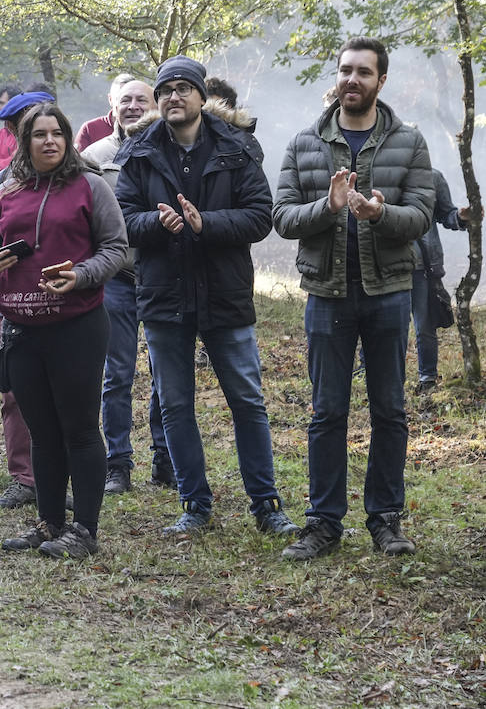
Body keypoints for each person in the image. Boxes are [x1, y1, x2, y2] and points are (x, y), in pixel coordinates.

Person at [115, 56, 298, 538]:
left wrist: (206, 224)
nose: (174, 96)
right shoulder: (138, 151)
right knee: (175, 405)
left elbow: (262, 216)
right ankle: (194, 503)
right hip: (163, 295)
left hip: (224, 293)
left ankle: (266, 503)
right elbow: (121, 219)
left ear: (201, 96)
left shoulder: (238, 146)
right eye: (165, 90)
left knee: (247, 401)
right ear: (159, 101)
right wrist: (157, 224)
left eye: (182, 88)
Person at [273, 37, 435, 560]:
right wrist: (328, 206)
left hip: (389, 294)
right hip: (327, 295)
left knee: (389, 410)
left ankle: (385, 519)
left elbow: (423, 216)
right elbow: (281, 217)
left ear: (380, 81)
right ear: (336, 76)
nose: (352, 80)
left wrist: (379, 215)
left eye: (364, 72)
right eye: (346, 70)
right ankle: (323, 522)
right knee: (326, 413)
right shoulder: (304, 143)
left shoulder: (409, 142)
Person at [0, 103, 128, 558]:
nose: (50, 141)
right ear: (25, 141)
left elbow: (116, 249)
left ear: (68, 138)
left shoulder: (90, 186)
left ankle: (84, 531)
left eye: (57, 132)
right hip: (21, 329)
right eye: (39, 134)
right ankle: (50, 522)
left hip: (77, 325)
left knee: (78, 428)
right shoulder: (5, 191)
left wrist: (80, 274)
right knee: (42, 432)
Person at [80, 77, 174, 492]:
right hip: (115, 279)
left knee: (164, 373)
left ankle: (165, 458)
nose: (133, 106)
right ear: (111, 106)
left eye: (141, 99)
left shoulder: (170, 149)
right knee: (116, 374)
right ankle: (117, 462)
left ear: (153, 103)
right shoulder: (94, 157)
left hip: (161, 275)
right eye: (126, 100)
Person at [0, 88, 54, 511]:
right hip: (6, 306)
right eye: (23, 124)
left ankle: (64, 473)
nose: (35, 134)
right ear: (10, 131)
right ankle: (24, 478)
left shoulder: (81, 180)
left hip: (68, 305)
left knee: (67, 391)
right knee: (14, 391)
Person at [409, 169, 471, 393]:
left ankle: (428, 378)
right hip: (384, 266)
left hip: (423, 266)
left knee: (424, 325)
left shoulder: (432, 177)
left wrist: (462, 217)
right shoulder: (374, 170)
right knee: (380, 325)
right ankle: (369, 370)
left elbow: (447, 214)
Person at [75, 73, 137, 152]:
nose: (131, 105)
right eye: (122, 98)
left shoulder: (149, 129)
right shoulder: (89, 129)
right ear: (110, 99)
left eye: (138, 99)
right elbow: (78, 162)